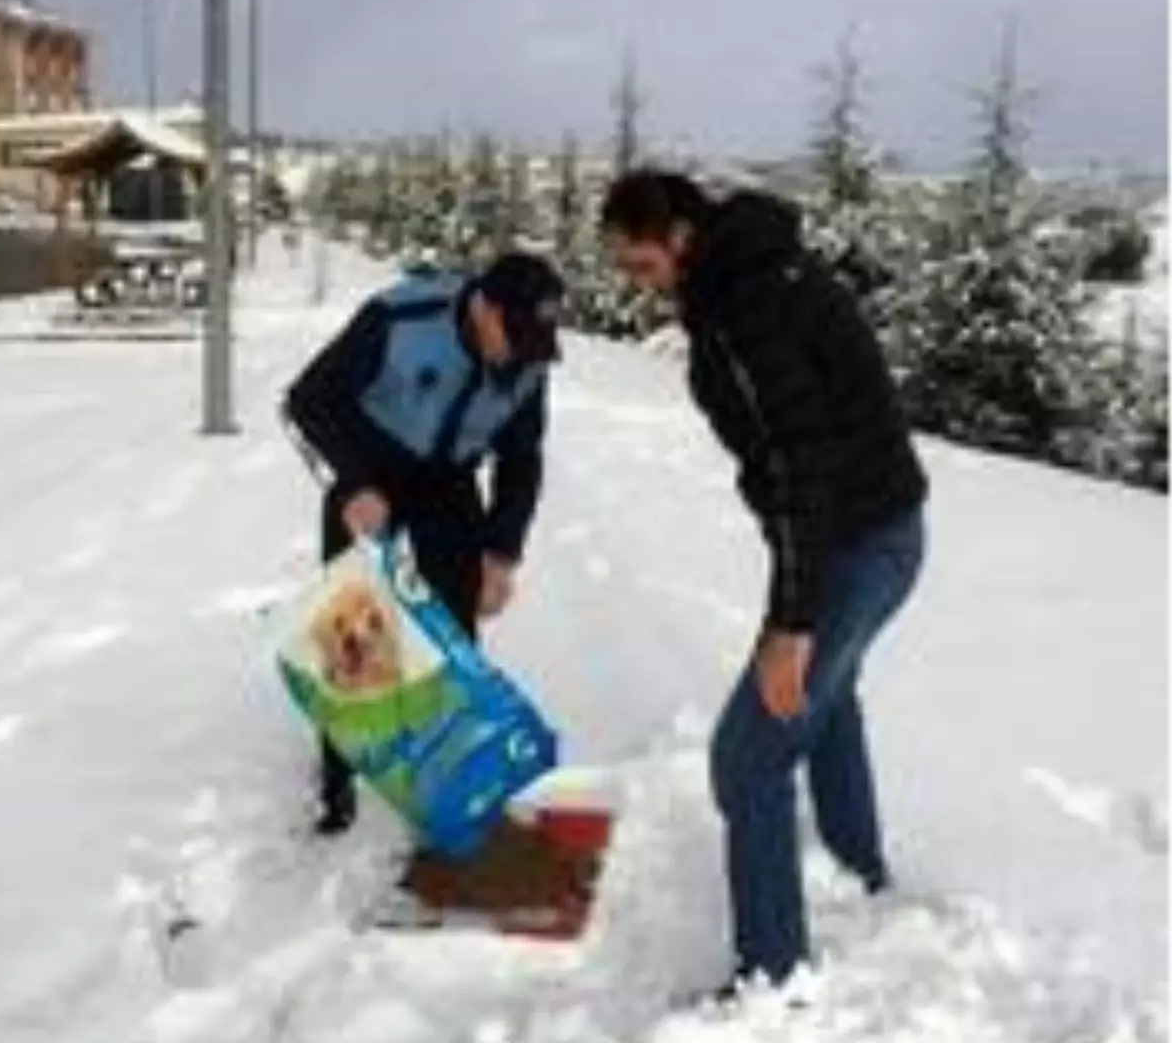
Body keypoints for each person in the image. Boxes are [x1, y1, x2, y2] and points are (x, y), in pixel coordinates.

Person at [600, 167, 927, 991]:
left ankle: (773, 978)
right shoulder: (749, 276)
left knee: (748, 757)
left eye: (640, 265)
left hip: (856, 542)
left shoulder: (746, 307)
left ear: (679, 235)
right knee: (829, 694)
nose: (637, 287)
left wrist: (792, 621)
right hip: (873, 534)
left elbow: (795, 467)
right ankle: (858, 872)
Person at [283, 250, 564, 834]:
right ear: (484, 307)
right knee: (352, 626)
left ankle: (449, 768)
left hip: (447, 480)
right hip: (368, 466)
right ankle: (338, 781)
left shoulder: (530, 361)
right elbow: (307, 400)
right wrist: (354, 483)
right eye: (511, 334)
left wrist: (502, 553)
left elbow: (521, 461)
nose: (517, 354)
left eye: (534, 340)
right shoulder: (401, 318)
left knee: (456, 627)